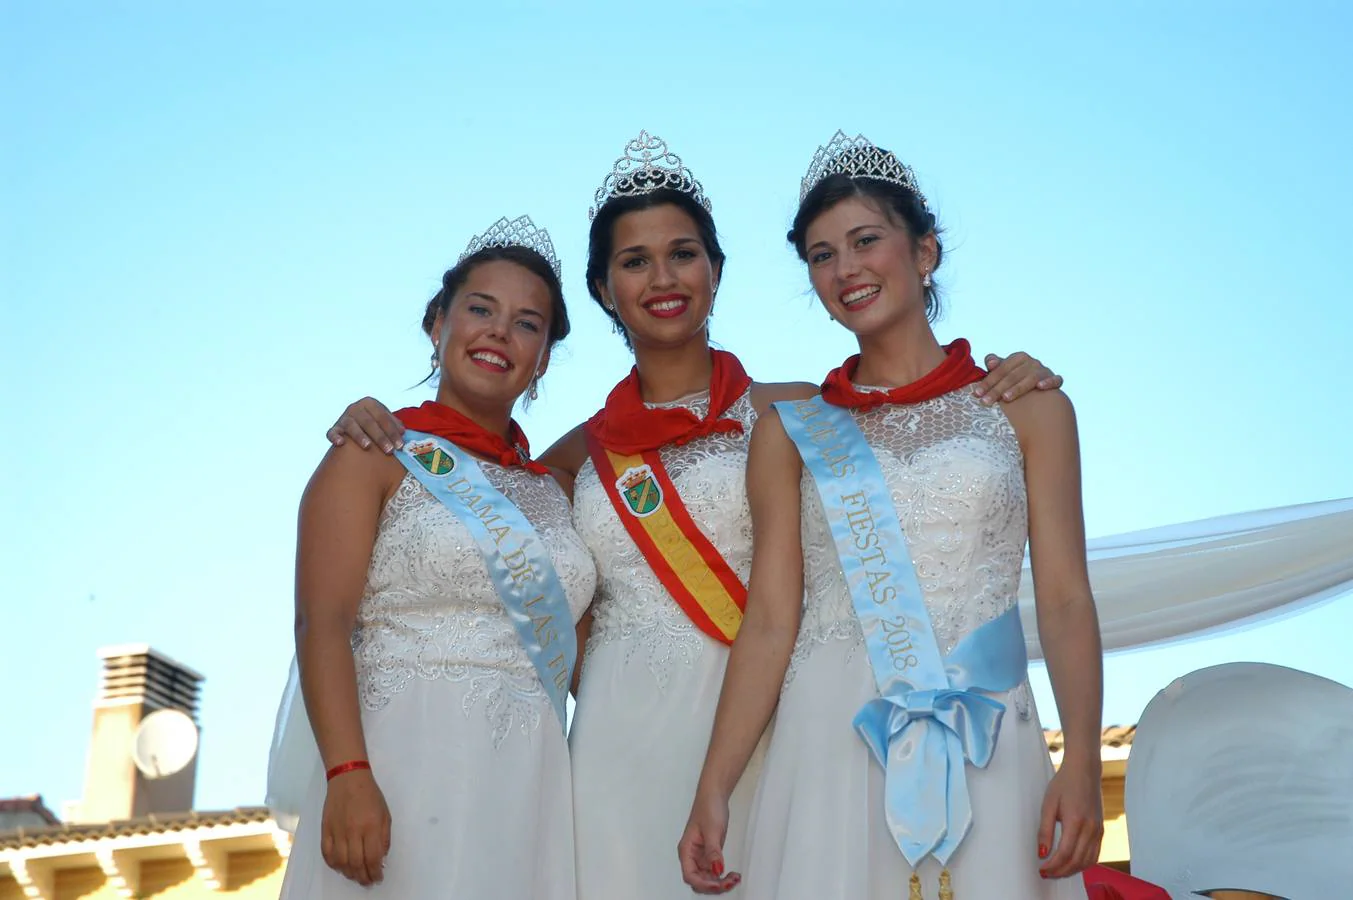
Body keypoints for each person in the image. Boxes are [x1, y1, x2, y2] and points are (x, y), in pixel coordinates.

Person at [324, 132, 1063, 900]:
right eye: (633, 261)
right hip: (618, 746)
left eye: (682, 253)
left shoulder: (806, 416)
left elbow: (918, 437)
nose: (661, 278)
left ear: (715, 270)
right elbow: (505, 568)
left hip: (779, 734)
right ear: (604, 289)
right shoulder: (571, 458)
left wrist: (1005, 377)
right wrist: (380, 422)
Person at [678, 132, 1104, 900]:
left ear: (925, 251)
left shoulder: (1029, 408)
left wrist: (1078, 759)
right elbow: (772, 620)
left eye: (865, 241)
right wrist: (715, 783)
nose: (844, 269)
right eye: (819, 255)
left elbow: (1067, 599)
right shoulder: (790, 431)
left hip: (986, 735)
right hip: (829, 735)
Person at [274, 216, 596, 899]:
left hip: (529, 784)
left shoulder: (554, 488)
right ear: (436, 325)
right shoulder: (373, 453)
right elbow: (320, 622)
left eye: (527, 323)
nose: (498, 332)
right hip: (401, 759)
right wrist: (346, 773)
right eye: (480, 309)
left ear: (542, 359)